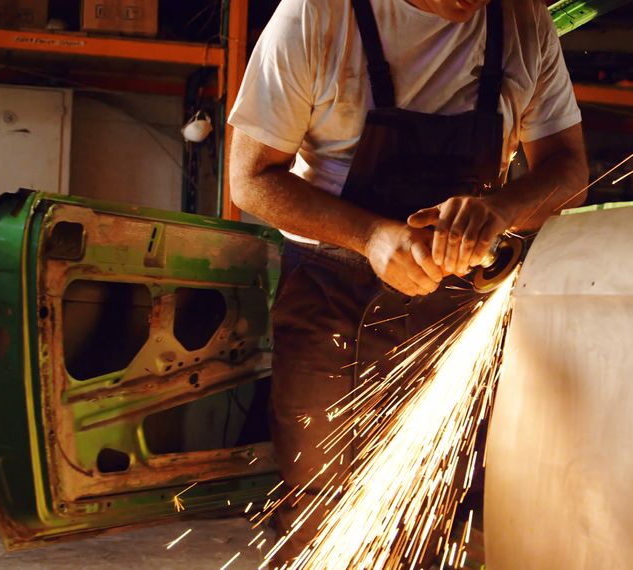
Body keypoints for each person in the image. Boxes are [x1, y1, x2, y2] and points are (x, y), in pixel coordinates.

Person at [228, 0, 588, 561]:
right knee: (326, 508)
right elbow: (249, 180)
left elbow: (568, 170)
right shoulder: (316, 16)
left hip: (456, 304)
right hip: (332, 293)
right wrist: (371, 236)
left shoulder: (524, 20)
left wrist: (501, 209)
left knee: (435, 501)